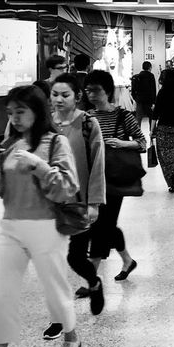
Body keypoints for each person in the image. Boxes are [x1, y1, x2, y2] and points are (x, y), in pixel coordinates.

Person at [0, 86, 83, 347]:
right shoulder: (8, 145)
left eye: (20, 111)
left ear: (37, 111)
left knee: (54, 290)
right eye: (10, 113)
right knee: (1, 296)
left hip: (46, 226)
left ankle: (71, 336)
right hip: (11, 228)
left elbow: (67, 187)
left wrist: (39, 166)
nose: (14, 118)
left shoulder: (55, 142)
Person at [45, 74, 107, 326]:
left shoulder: (88, 124)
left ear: (77, 96)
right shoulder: (45, 124)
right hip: (49, 204)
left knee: (75, 257)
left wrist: (94, 202)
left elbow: (98, 164)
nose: (59, 100)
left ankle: (94, 282)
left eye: (65, 95)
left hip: (78, 202)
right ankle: (58, 319)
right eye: (55, 94)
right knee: (50, 260)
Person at [83, 70, 144, 282]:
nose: (91, 94)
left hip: (115, 177)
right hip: (93, 177)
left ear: (107, 91)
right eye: (88, 90)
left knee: (101, 225)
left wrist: (121, 143)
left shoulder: (123, 115)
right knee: (105, 224)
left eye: (96, 90)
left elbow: (142, 143)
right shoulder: (86, 117)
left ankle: (92, 276)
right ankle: (127, 260)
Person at [129, 61, 157, 133]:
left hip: (140, 101)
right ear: (150, 67)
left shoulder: (137, 76)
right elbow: (153, 90)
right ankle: (152, 133)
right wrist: (154, 102)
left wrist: (136, 98)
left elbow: (133, 91)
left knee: (138, 118)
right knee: (151, 117)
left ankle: (137, 135)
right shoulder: (151, 76)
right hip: (149, 101)